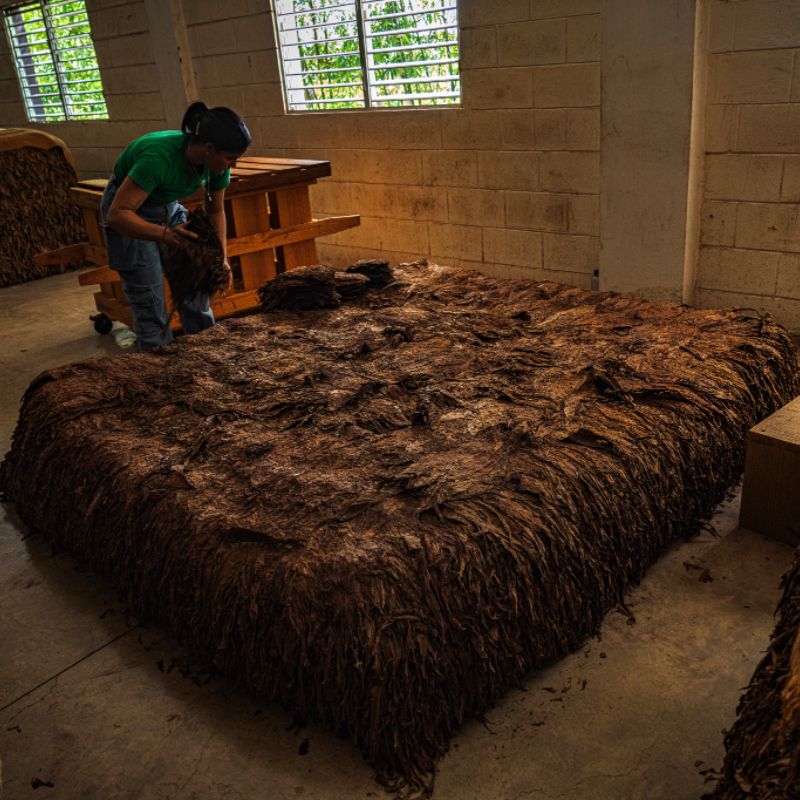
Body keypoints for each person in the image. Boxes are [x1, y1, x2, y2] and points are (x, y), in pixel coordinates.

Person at [101, 101, 251, 352]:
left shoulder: (216, 165)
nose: (233, 165)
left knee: (197, 285)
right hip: (129, 211)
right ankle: (162, 369)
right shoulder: (158, 158)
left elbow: (215, 210)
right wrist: (164, 234)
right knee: (152, 308)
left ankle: (207, 356)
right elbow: (117, 215)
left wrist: (221, 259)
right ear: (209, 148)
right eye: (230, 158)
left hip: (166, 208)